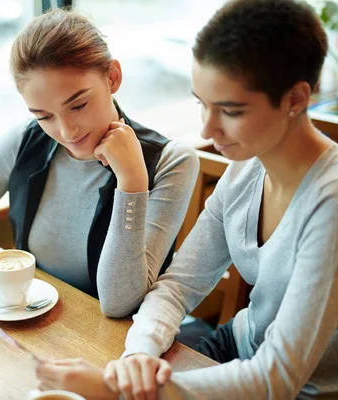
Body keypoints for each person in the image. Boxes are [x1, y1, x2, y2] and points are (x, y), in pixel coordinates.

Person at [36, 0, 338, 398]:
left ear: (295, 99)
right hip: (236, 345)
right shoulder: (247, 168)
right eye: (202, 103)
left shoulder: (329, 204)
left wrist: (114, 390)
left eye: (229, 110)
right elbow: (178, 285)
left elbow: (276, 378)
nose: (208, 129)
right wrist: (138, 356)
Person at [0, 9, 198, 317]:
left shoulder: (171, 162)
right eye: (44, 116)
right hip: (40, 332)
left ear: (112, 77)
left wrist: (133, 184)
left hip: (119, 350)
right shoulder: (26, 140)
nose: (67, 131)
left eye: (79, 105)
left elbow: (120, 303)